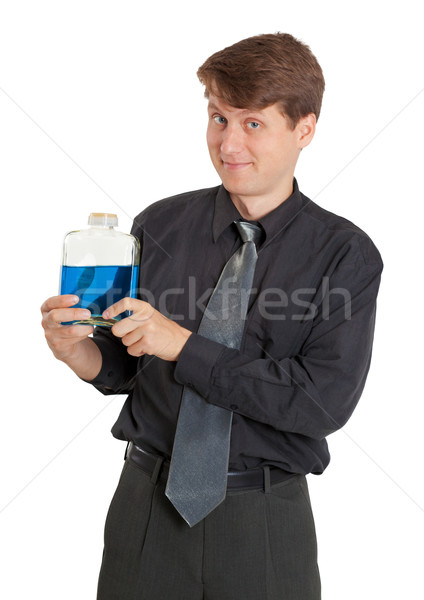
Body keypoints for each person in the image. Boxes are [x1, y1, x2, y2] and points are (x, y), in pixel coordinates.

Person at [41, 32, 383, 600]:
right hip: (145, 508)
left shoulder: (345, 255)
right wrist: (82, 354)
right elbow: (131, 366)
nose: (229, 143)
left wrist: (184, 345)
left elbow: (322, 401)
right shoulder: (160, 225)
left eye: (253, 123)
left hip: (265, 523)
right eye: (219, 118)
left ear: (305, 129)